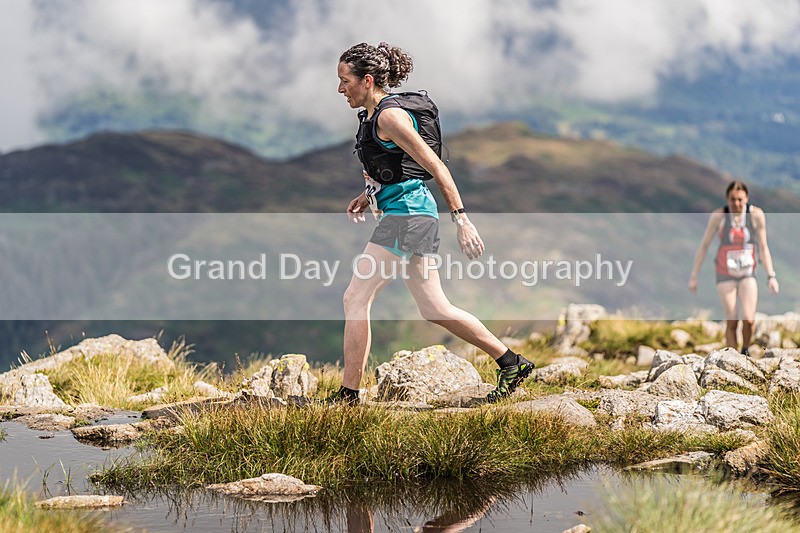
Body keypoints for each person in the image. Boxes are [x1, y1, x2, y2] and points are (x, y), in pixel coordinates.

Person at [326, 41, 534, 404]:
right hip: (410, 213)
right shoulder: (372, 116)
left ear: (367, 80)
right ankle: (511, 362)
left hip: (407, 217)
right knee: (434, 308)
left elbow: (436, 167)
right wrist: (367, 195)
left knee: (355, 298)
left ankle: (348, 396)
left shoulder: (390, 117)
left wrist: (462, 219)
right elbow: (397, 170)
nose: (340, 88)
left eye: (345, 80)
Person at [689, 180, 780, 354]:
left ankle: (745, 350)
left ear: (746, 198)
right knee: (732, 320)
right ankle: (732, 357)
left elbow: (763, 247)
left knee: (749, 319)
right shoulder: (719, 217)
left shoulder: (756, 215)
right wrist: (694, 276)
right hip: (725, 274)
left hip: (747, 273)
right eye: (732, 199)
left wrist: (771, 275)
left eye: (740, 199)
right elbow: (704, 246)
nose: (736, 203)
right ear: (727, 199)